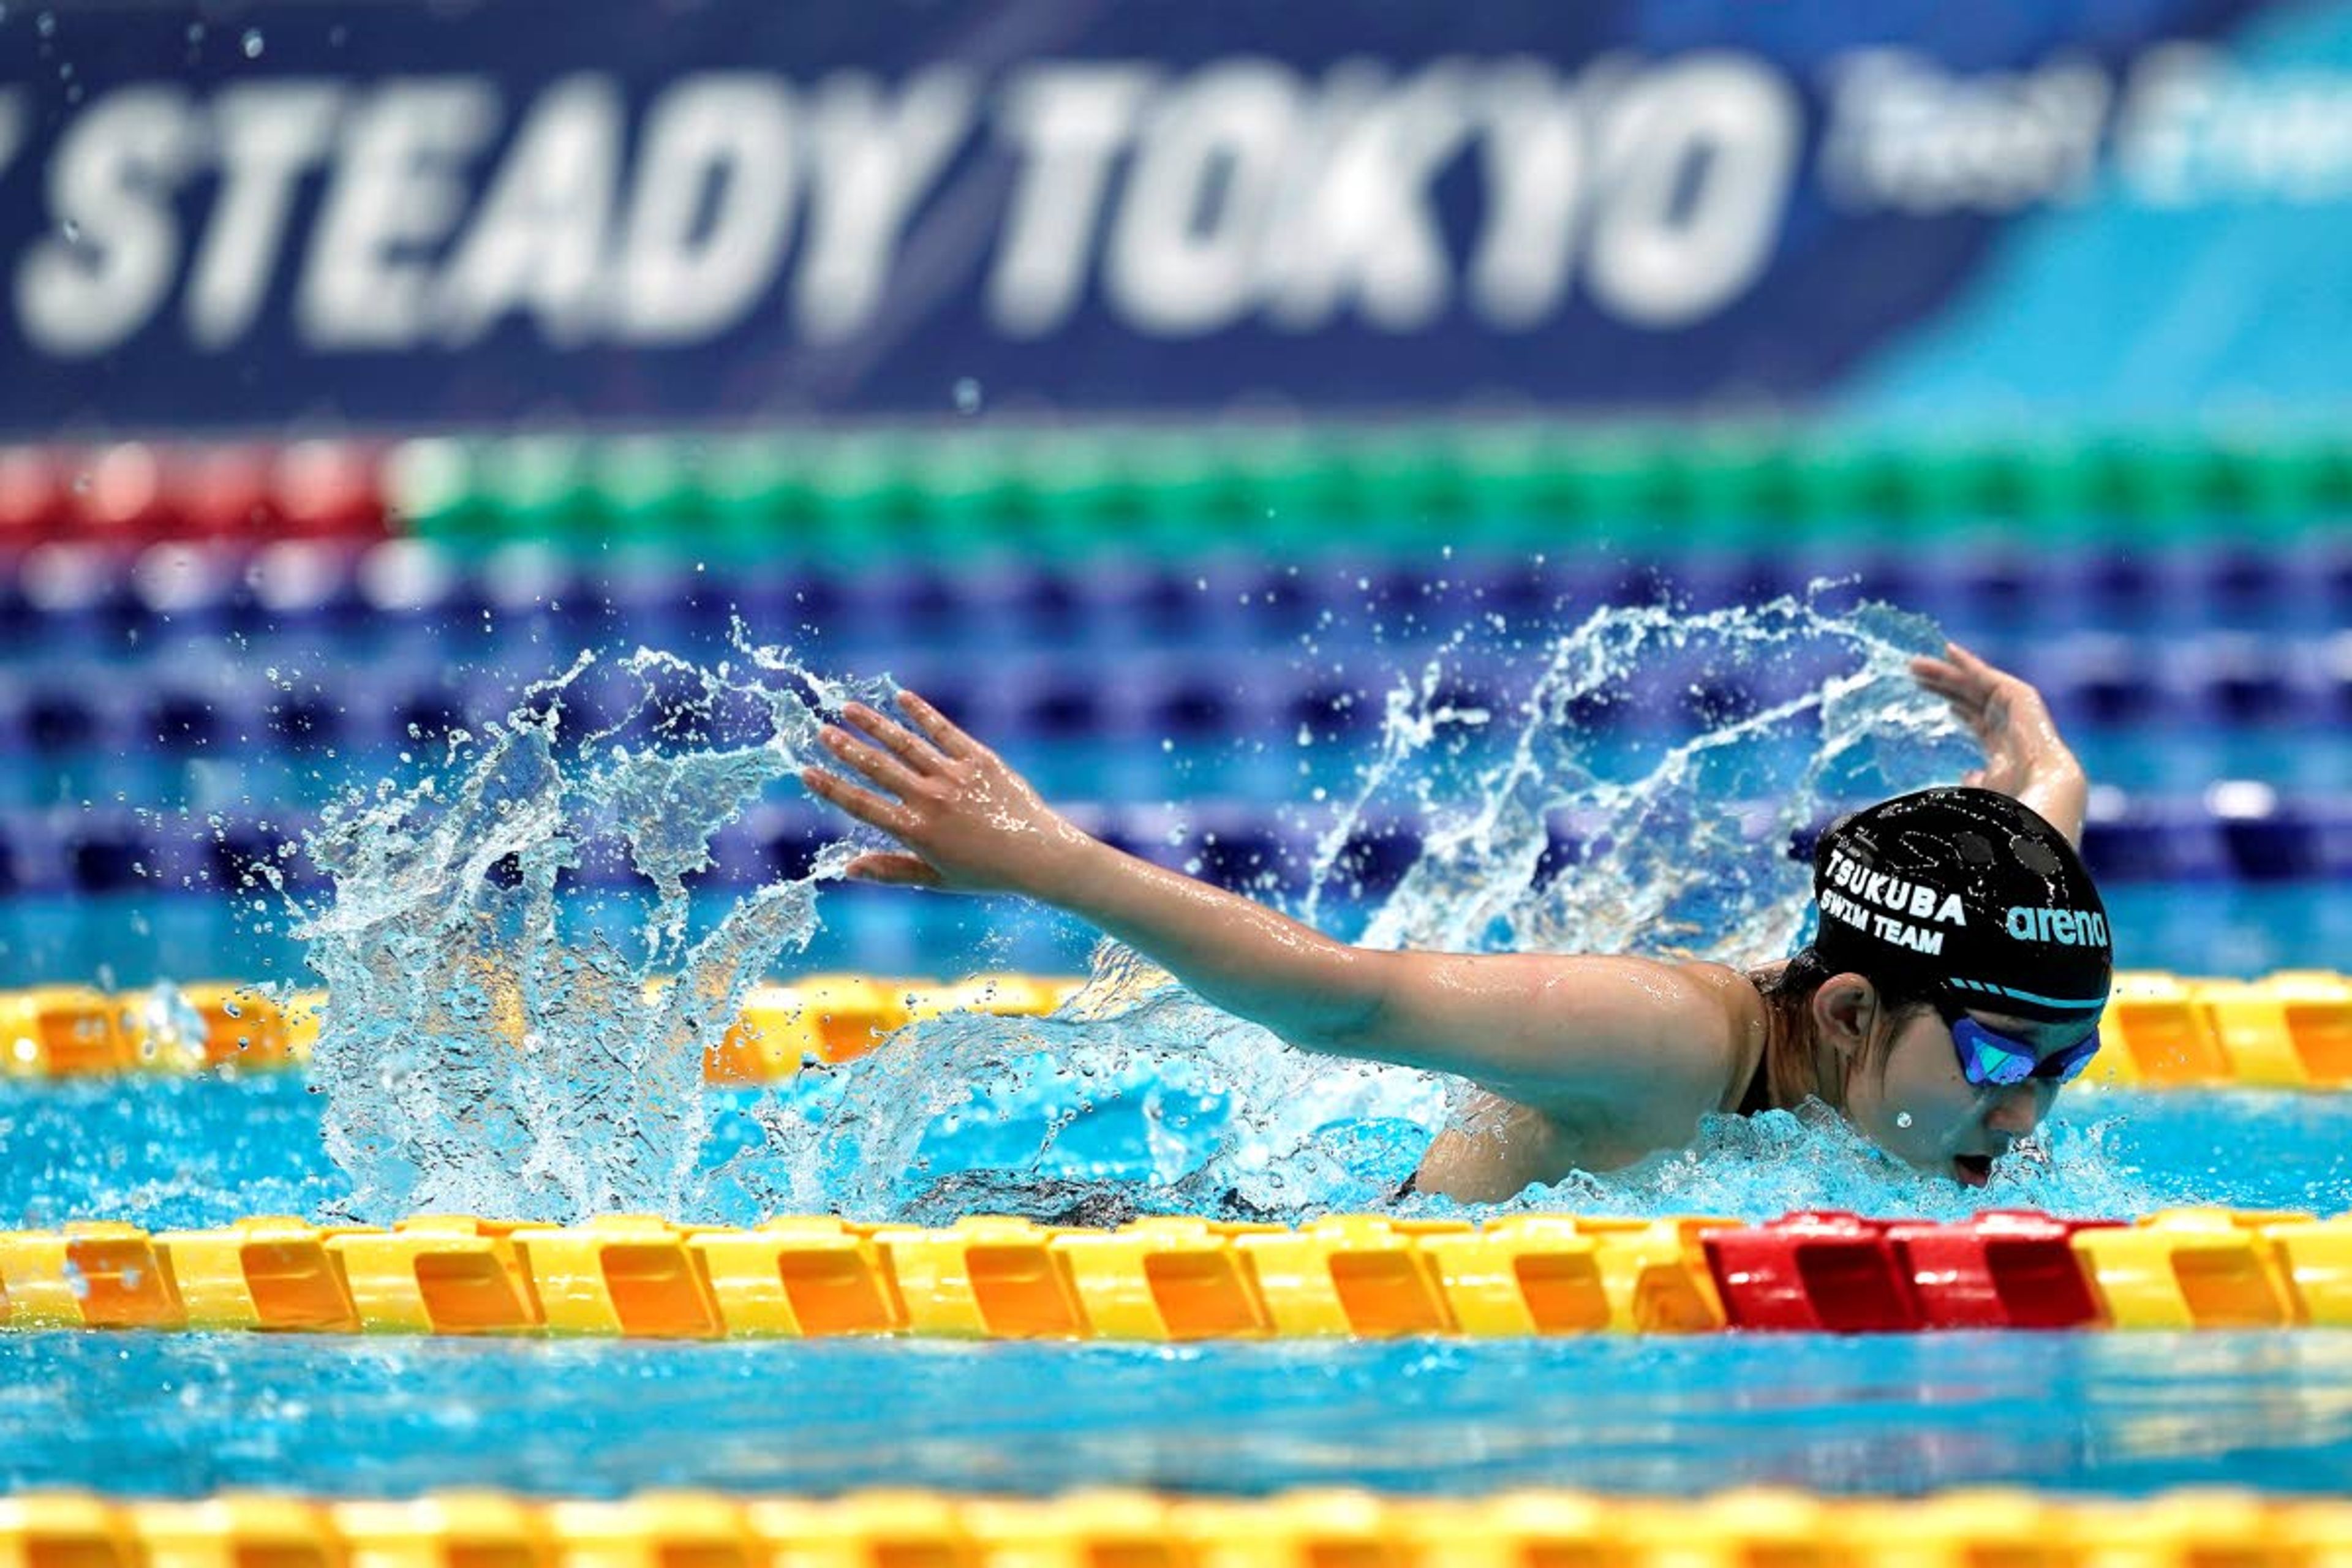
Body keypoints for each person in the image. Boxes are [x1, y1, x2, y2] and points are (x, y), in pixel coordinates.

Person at [800, 642, 2110, 1202]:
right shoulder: (1664, 1040)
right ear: (1846, 1011)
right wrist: (1043, 860)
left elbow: (2030, 873)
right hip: (1296, 1287)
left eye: (2066, 1065)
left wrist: (2044, 775)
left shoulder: (1920, 1036)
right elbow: (1349, 1001)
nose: (2030, 1111)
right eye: (2002, 1060)